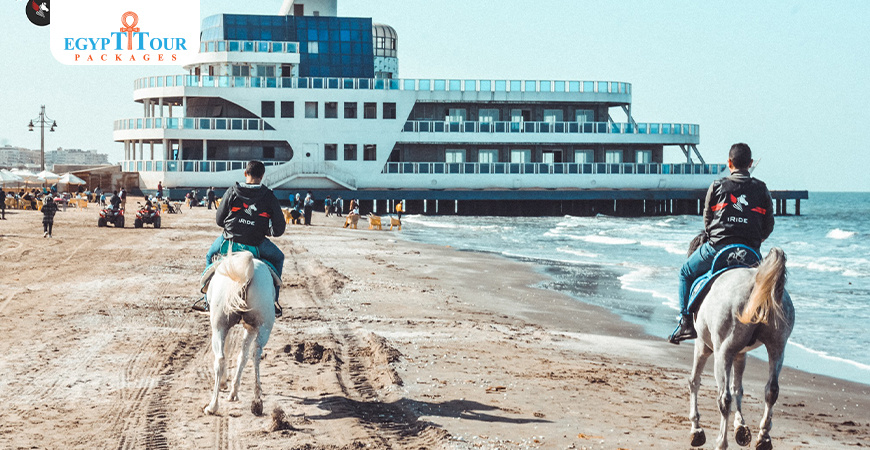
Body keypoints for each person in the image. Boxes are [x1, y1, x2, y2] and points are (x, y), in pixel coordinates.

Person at [669, 143, 775, 344]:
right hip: (750, 252)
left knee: (685, 272)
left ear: (729, 163)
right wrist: (755, 240)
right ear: (750, 164)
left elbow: (707, 220)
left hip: (717, 249)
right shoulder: (761, 188)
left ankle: (686, 322)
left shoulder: (717, 185)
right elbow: (769, 224)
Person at [197, 161, 286, 317]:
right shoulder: (269, 196)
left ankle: (206, 301)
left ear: (245, 173)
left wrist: (235, 226)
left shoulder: (232, 191)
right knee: (279, 258)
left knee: (210, 256)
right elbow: (279, 228)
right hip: (256, 243)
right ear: (262, 176)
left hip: (229, 241)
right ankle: (273, 301)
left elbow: (219, 220)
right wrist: (266, 230)